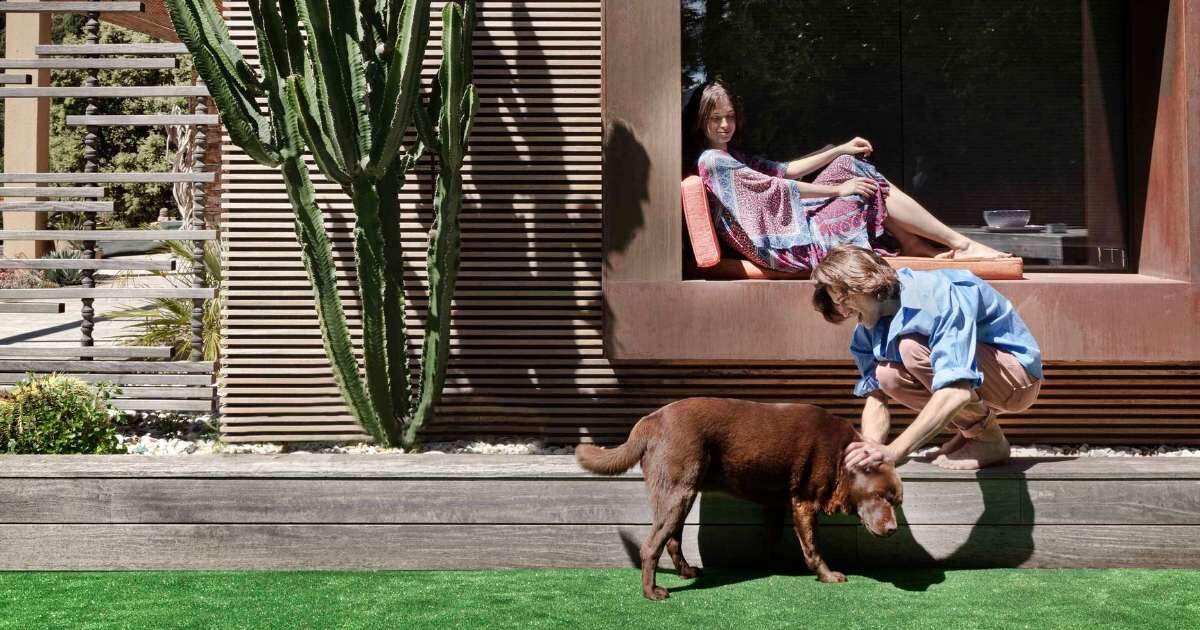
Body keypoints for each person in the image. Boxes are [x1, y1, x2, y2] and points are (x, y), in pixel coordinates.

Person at [682, 80, 1008, 272]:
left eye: (729, 117)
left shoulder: (730, 156)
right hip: (781, 248)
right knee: (854, 177)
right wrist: (837, 192)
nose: (725, 125)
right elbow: (777, 187)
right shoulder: (712, 161)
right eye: (715, 119)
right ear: (701, 122)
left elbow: (785, 169)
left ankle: (918, 241)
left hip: (787, 234)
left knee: (851, 166)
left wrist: (839, 149)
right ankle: (956, 243)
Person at [810, 245, 1043, 470]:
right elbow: (876, 398)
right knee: (887, 375)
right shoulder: (867, 328)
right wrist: (870, 449)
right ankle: (973, 433)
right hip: (975, 383)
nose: (842, 311)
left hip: (1016, 379)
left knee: (911, 348)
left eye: (844, 299)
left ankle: (989, 440)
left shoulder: (936, 294)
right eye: (836, 303)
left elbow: (957, 389)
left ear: (865, 283)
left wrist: (894, 451)